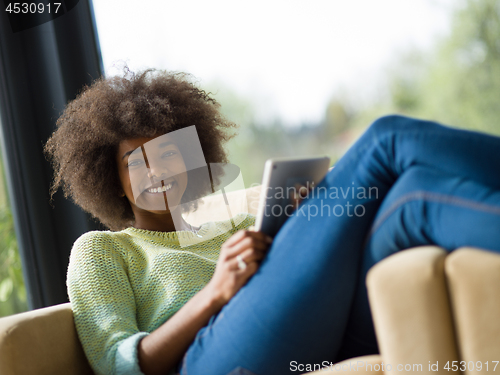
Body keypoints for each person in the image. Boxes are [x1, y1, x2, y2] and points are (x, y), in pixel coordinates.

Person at [44, 69, 500, 375]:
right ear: (112, 178)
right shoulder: (102, 251)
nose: (159, 171)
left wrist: (306, 227)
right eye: (136, 162)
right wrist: (214, 292)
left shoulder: (231, 224)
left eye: (169, 153)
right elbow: (119, 363)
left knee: (410, 199)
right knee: (386, 140)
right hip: (208, 362)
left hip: (305, 337)